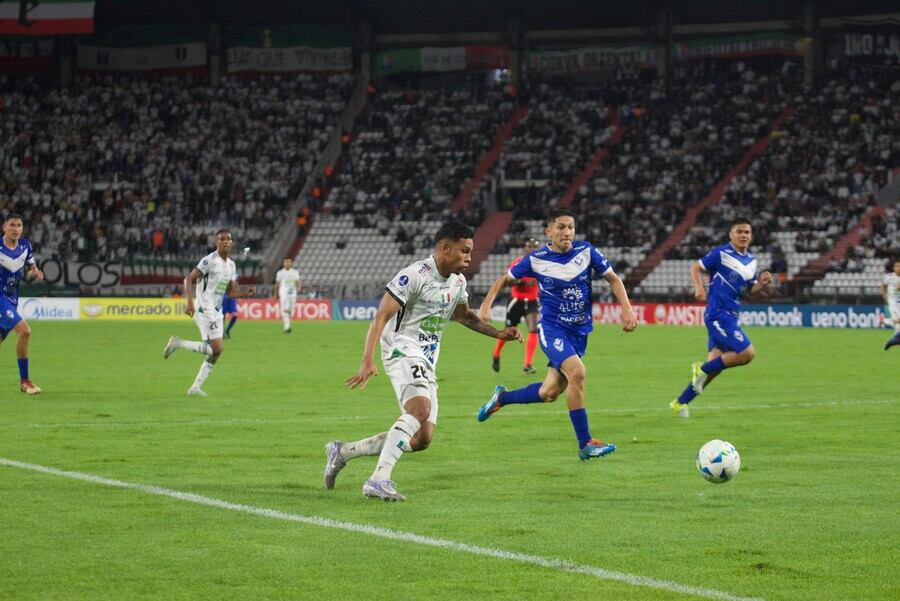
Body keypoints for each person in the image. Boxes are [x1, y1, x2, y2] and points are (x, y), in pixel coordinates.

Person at [323, 222, 522, 502]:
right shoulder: (415, 275)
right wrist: (367, 359)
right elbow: (381, 316)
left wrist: (499, 333)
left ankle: (342, 451)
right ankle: (379, 479)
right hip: (401, 348)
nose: (469, 258)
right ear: (444, 248)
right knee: (419, 408)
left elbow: (464, 316)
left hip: (427, 358)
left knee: (422, 438)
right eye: (464, 251)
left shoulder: (458, 282)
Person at [475, 209, 637, 461]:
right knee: (578, 373)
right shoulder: (536, 259)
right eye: (561, 227)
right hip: (552, 329)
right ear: (548, 231)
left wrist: (626, 308)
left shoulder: (586, 252)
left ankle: (502, 398)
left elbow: (614, 279)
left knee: (549, 393)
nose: (567, 232)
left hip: (579, 331)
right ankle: (585, 444)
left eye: (571, 227)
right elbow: (503, 280)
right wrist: (486, 304)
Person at [669, 217, 773, 417]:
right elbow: (696, 267)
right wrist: (699, 288)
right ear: (731, 234)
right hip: (718, 314)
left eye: (747, 232)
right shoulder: (721, 254)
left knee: (713, 369)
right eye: (739, 231)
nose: (743, 235)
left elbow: (749, 290)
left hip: (732, 316)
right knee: (747, 353)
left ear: (751, 236)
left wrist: (761, 284)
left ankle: (680, 403)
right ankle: (701, 368)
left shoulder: (752, 261)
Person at [162, 229, 256, 396]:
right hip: (205, 308)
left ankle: (195, 387)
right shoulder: (209, 260)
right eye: (222, 239)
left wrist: (245, 293)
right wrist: (190, 303)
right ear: (216, 242)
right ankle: (178, 343)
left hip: (217, 310)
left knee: (216, 351)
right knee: (216, 348)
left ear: (232, 242)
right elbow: (189, 279)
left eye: (229, 239)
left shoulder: (231, 265)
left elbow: (231, 292)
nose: (226, 241)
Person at [480, 238, 541, 373]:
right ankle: (496, 353)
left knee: (534, 329)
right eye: (529, 246)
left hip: (532, 301)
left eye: (534, 247)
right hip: (516, 301)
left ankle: (528, 365)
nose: (532, 249)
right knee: (509, 331)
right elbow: (507, 281)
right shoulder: (517, 262)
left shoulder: (542, 263)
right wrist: (522, 283)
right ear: (525, 248)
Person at [0, 213, 44, 395]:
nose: (15, 228)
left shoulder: (25, 246)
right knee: (25, 331)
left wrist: (35, 273)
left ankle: (25, 381)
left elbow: (29, 269)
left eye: (19, 225)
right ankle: (25, 381)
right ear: (4, 227)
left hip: (12, 299)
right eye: (12, 225)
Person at [274, 258, 301, 333]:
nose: (287, 263)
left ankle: (288, 324)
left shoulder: (295, 272)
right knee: (285, 309)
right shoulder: (280, 273)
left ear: (291, 263)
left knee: (291, 310)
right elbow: (277, 284)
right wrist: (275, 294)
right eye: (286, 262)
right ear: (283, 263)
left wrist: (299, 287)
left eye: (289, 262)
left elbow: (298, 281)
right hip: (283, 293)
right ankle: (287, 326)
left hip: (293, 293)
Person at [883, 259, 900, 350]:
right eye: (897, 266)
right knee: (898, 321)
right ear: (894, 267)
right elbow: (883, 285)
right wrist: (884, 295)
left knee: (898, 322)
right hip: (893, 303)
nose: (898, 268)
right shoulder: (889, 277)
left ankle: (886, 321)